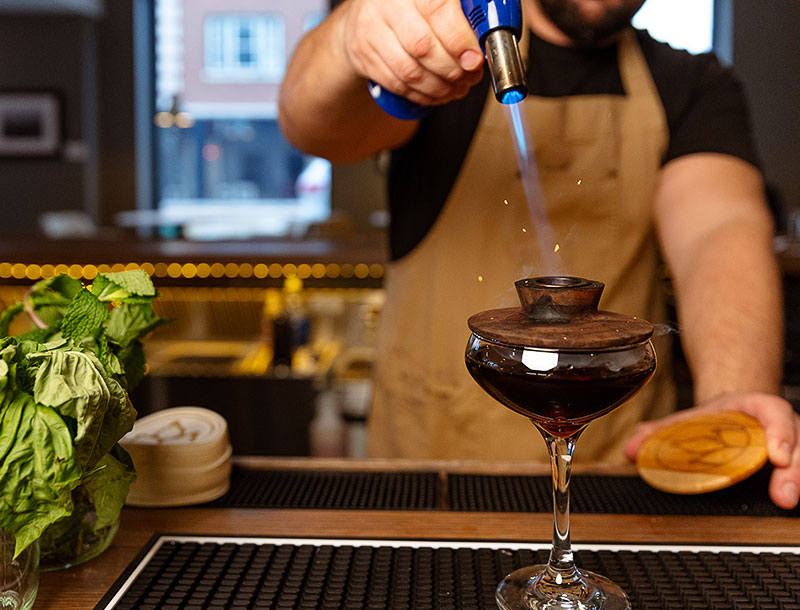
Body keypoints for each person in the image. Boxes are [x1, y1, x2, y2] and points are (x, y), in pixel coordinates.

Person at [278, 0, 800, 509]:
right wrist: (352, 34)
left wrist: (732, 398)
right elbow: (311, 123)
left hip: (616, 481)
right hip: (435, 481)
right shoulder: (450, 56)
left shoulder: (692, 84)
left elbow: (718, 230)